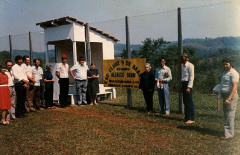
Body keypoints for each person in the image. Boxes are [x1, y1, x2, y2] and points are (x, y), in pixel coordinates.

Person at [218, 58, 239, 139]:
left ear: (231, 64)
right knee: (227, 114)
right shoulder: (225, 72)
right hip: (225, 96)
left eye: (226, 64)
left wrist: (229, 98)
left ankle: (229, 134)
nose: (225, 66)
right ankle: (228, 132)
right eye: (223, 64)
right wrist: (219, 91)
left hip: (231, 97)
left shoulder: (234, 73)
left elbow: (234, 87)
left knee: (230, 115)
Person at [180, 53, 195, 124]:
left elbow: (191, 77)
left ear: (184, 58)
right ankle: (187, 117)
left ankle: (191, 118)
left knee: (189, 101)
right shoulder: (183, 66)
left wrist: (189, 87)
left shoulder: (190, 65)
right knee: (185, 101)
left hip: (188, 84)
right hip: (183, 83)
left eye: (181, 58)